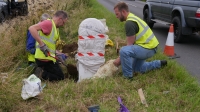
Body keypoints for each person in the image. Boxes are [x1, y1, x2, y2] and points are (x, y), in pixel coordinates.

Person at [113, 2, 167, 80]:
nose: (116, 16)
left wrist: (118, 60)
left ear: (123, 12)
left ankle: (128, 77)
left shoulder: (129, 23)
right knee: (136, 69)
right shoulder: (132, 18)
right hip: (148, 46)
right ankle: (159, 64)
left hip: (148, 47)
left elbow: (129, 46)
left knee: (123, 51)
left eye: (117, 14)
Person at [29, 10, 68, 81]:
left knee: (59, 71)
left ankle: (41, 69)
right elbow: (32, 28)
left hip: (48, 57)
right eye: (63, 23)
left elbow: (50, 45)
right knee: (60, 77)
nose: (63, 25)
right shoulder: (48, 23)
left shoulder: (55, 28)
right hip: (43, 58)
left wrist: (57, 54)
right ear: (60, 19)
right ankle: (41, 73)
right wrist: (41, 44)